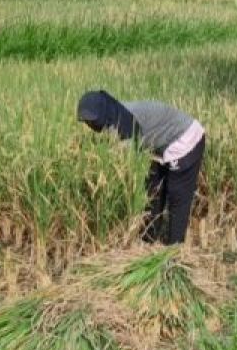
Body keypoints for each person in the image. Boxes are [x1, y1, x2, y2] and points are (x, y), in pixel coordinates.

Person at [77, 90, 206, 246]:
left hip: (184, 139)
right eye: (87, 122)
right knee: (152, 192)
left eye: (92, 121)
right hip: (158, 146)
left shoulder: (124, 121)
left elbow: (128, 163)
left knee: (177, 195)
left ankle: (175, 249)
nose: (90, 126)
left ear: (102, 113)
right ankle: (148, 239)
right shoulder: (113, 114)